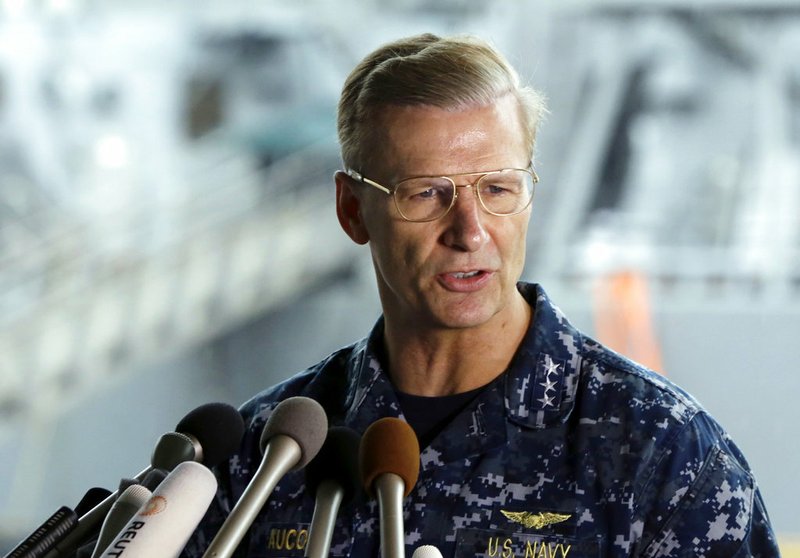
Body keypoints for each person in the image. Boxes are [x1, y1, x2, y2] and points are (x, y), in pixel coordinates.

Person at [183, 33, 779, 558]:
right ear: (351, 209)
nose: (469, 232)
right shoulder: (260, 460)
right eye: (425, 194)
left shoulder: (662, 455)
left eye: (498, 188)